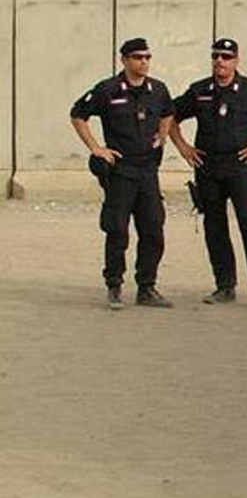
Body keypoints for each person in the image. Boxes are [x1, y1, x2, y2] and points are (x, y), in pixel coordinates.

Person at [169, 38, 247, 311]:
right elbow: (170, 115)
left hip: (240, 167)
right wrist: (182, 146)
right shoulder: (200, 90)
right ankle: (225, 286)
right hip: (208, 167)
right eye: (216, 56)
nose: (220, 62)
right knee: (215, 227)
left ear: (236, 60)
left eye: (226, 57)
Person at [70, 37, 175, 310]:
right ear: (125, 60)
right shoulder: (108, 89)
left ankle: (147, 287)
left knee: (153, 230)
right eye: (138, 57)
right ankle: (114, 285)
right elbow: (78, 114)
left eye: (147, 57)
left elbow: (168, 113)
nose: (144, 62)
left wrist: (162, 136)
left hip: (147, 170)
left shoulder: (158, 89)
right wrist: (96, 148)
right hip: (121, 171)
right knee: (117, 230)